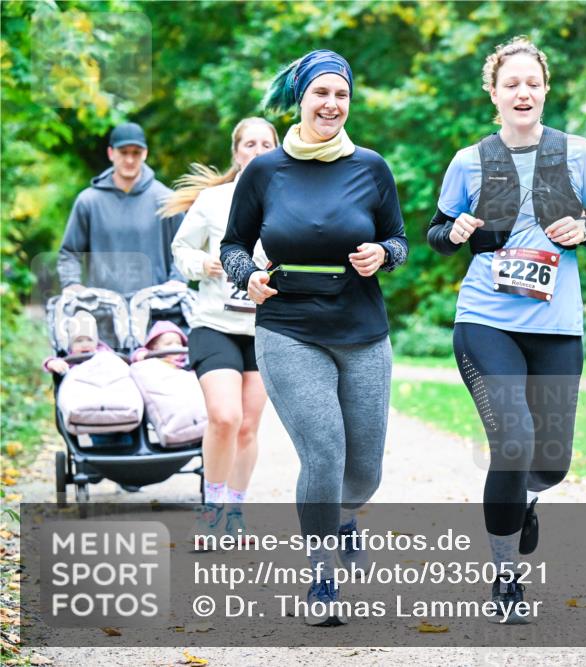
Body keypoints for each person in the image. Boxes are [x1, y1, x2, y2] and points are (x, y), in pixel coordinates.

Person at [427, 37, 586, 623]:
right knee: (512, 442)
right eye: (511, 83)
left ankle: (529, 496)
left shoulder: (577, 152)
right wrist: (458, 233)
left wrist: (585, 232)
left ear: (545, 90)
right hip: (486, 320)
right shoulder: (470, 159)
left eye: (532, 83)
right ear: (493, 92)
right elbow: (437, 233)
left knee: (551, 460)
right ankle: (506, 576)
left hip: (557, 325)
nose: (522, 92)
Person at [220, 49, 407, 627]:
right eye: (321, 94)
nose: (331, 104)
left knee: (364, 470)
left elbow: (399, 240)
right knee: (323, 450)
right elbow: (233, 244)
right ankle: (321, 575)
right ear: (301, 99)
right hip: (288, 330)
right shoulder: (264, 171)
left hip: (363, 332)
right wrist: (246, 275)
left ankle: (346, 517)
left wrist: (384, 254)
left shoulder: (371, 167)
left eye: (341, 95)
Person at [164, 117, 278, 544]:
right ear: (237, 152)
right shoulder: (214, 201)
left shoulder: (290, 199)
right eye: (250, 143)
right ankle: (211, 509)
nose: (258, 150)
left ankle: (234, 511)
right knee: (225, 416)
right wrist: (203, 265)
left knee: (249, 426)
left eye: (267, 143)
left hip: (266, 326)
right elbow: (181, 249)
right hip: (215, 323)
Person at [58, 122, 186, 296]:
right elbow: (69, 252)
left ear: (145, 153)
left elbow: (185, 249)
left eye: (136, 153)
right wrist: (71, 283)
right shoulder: (88, 201)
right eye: (123, 152)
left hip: (157, 309)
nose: (130, 160)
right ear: (111, 153)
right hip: (103, 308)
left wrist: (177, 280)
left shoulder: (167, 200)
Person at [43, 312, 111, 375]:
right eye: (79, 341)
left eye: (89, 340)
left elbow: (115, 360)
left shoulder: (103, 352)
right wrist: (53, 364)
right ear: (71, 345)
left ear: (96, 342)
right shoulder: (69, 359)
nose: (85, 345)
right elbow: (49, 362)